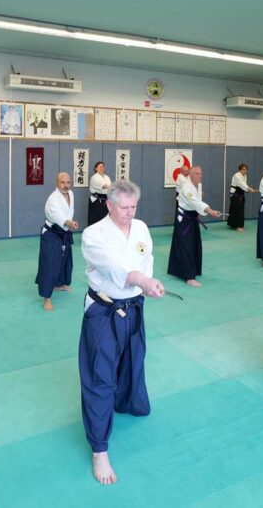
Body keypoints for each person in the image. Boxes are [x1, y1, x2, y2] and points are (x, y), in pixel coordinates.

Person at [78, 179, 165, 485]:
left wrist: (148, 284)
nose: (130, 213)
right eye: (124, 207)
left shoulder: (140, 227)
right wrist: (143, 280)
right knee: (100, 375)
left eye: (134, 207)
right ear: (109, 205)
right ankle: (99, 449)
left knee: (133, 361)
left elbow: (147, 258)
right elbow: (114, 267)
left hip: (134, 306)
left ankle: (128, 402)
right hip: (103, 311)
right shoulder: (93, 234)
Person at [167, 165, 222, 287]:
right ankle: (189, 277)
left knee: (194, 245)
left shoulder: (198, 185)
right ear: (190, 175)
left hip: (192, 217)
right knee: (186, 247)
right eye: (197, 174)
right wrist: (210, 211)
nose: (200, 176)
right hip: (184, 220)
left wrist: (205, 210)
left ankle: (183, 270)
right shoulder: (186, 187)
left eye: (201, 174)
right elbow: (195, 202)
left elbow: (198, 202)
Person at [36, 172, 78, 311]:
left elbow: (69, 212)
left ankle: (59, 284)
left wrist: (70, 223)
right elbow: (58, 216)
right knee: (50, 264)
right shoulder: (53, 199)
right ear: (56, 183)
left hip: (64, 231)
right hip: (52, 233)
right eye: (62, 182)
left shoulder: (71, 194)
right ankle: (46, 298)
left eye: (68, 182)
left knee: (64, 259)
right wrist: (69, 223)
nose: (66, 185)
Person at [226, 163, 257, 232]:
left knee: (236, 209)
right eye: (243, 169)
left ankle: (232, 224)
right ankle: (239, 226)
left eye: (246, 169)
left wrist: (248, 190)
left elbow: (244, 186)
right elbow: (241, 184)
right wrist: (249, 188)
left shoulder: (245, 176)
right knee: (238, 210)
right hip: (235, 194)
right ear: (239, 170)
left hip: (240, 194)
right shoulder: (236, 175)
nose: (245, 171)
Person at [87, 161, 112, 226]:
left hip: (105, 199)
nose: (101, 168)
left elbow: (110, 187)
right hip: (96, 200)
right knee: (96, 218)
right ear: (95, 168)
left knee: (106, 217)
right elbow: (104, 186)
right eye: (100, 167)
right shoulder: (94, 177)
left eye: (103, 167)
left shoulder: (107, 177)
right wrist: (113, 187)